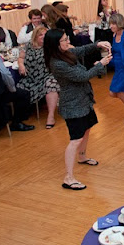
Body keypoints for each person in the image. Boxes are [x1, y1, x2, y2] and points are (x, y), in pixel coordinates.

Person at [44, 29, 112, 190]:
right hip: (73, 104)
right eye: (64, 40)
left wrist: (97, 45)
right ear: (55, 45)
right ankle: (68, 177)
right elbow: (82, 76)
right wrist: (100, 65)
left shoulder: (65, 52)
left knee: (87, 129)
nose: (67, 41)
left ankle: (82, 157)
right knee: (75, 139)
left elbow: (81, 50)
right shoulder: (57, 63)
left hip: (83, 100)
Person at [17, 26, 60, 129]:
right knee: (18, 88)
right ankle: (19, 117)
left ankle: (51, 116)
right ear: (35, 36)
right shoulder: (27, 46)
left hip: (46, 76)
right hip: (30, 77)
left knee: (52, 84)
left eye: (45, 35)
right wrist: (21, 65)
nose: (43, 37)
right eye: (40, 35)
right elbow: (21, 58)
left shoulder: (50, 47)